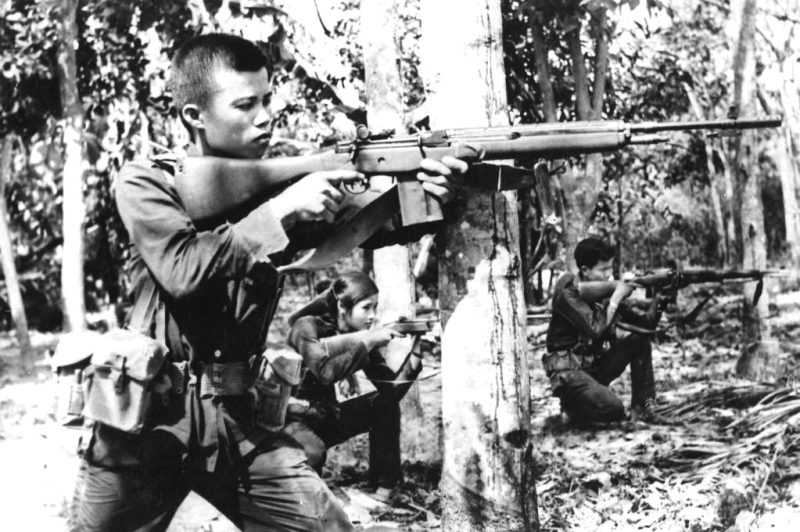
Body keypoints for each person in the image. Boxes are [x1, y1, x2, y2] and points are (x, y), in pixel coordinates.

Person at [69, 33, 467, 531]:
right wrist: (280, 212)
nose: (264, 116)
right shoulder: (147, 181)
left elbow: (364, 226)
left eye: (266, 101)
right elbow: (182, 269)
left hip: (241, 417)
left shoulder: (280, 179)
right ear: (195, 116)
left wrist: (429, 196)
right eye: (245, 105)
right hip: (148, 421)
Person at [282, 271, 422, 498]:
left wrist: (415, 357)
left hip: (326, 417)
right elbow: (325, 373)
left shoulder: (362, 335)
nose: (372, 316)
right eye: (366, 308)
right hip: (291, 421)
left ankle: (385, 487)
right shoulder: (306, 327)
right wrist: (367, 343)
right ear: (342, 307)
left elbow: (389, 390)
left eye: (375, 308)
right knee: (313, 455)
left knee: (384, 406)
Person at [543, 237, 663, 426]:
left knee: (639, 341)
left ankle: (643, 407)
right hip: (569, 375)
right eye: (603, 270)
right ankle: (573, 411)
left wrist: (660, 299)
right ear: (585, 270)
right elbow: (594, 330)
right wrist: (615, 298)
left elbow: (645, 326)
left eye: (610, 269)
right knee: (613, 409)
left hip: (594, 369)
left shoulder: (601, 293)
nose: (609, 276)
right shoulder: (567, 292)